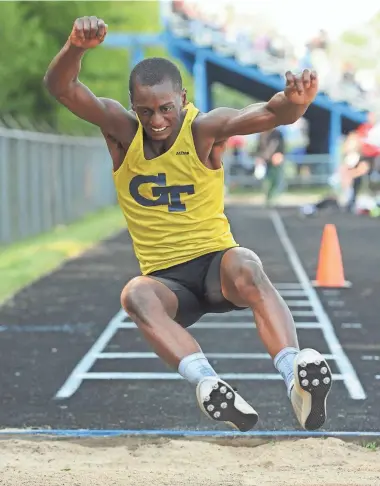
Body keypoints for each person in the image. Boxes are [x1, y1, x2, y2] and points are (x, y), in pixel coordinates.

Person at [44, 16, 332, 432]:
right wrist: (75, 47)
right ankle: (210, 386)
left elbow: (269, 113)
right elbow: (62, 88)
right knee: (135, 295)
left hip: (218, 268)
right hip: (168, 283)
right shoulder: (123, 133)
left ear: (182, 98)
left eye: (166, 109)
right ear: (131, 106)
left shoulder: (204, 130)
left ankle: (293, 379)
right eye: (145, 111)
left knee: (248, 263)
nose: (157, 120)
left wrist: (298, 101)